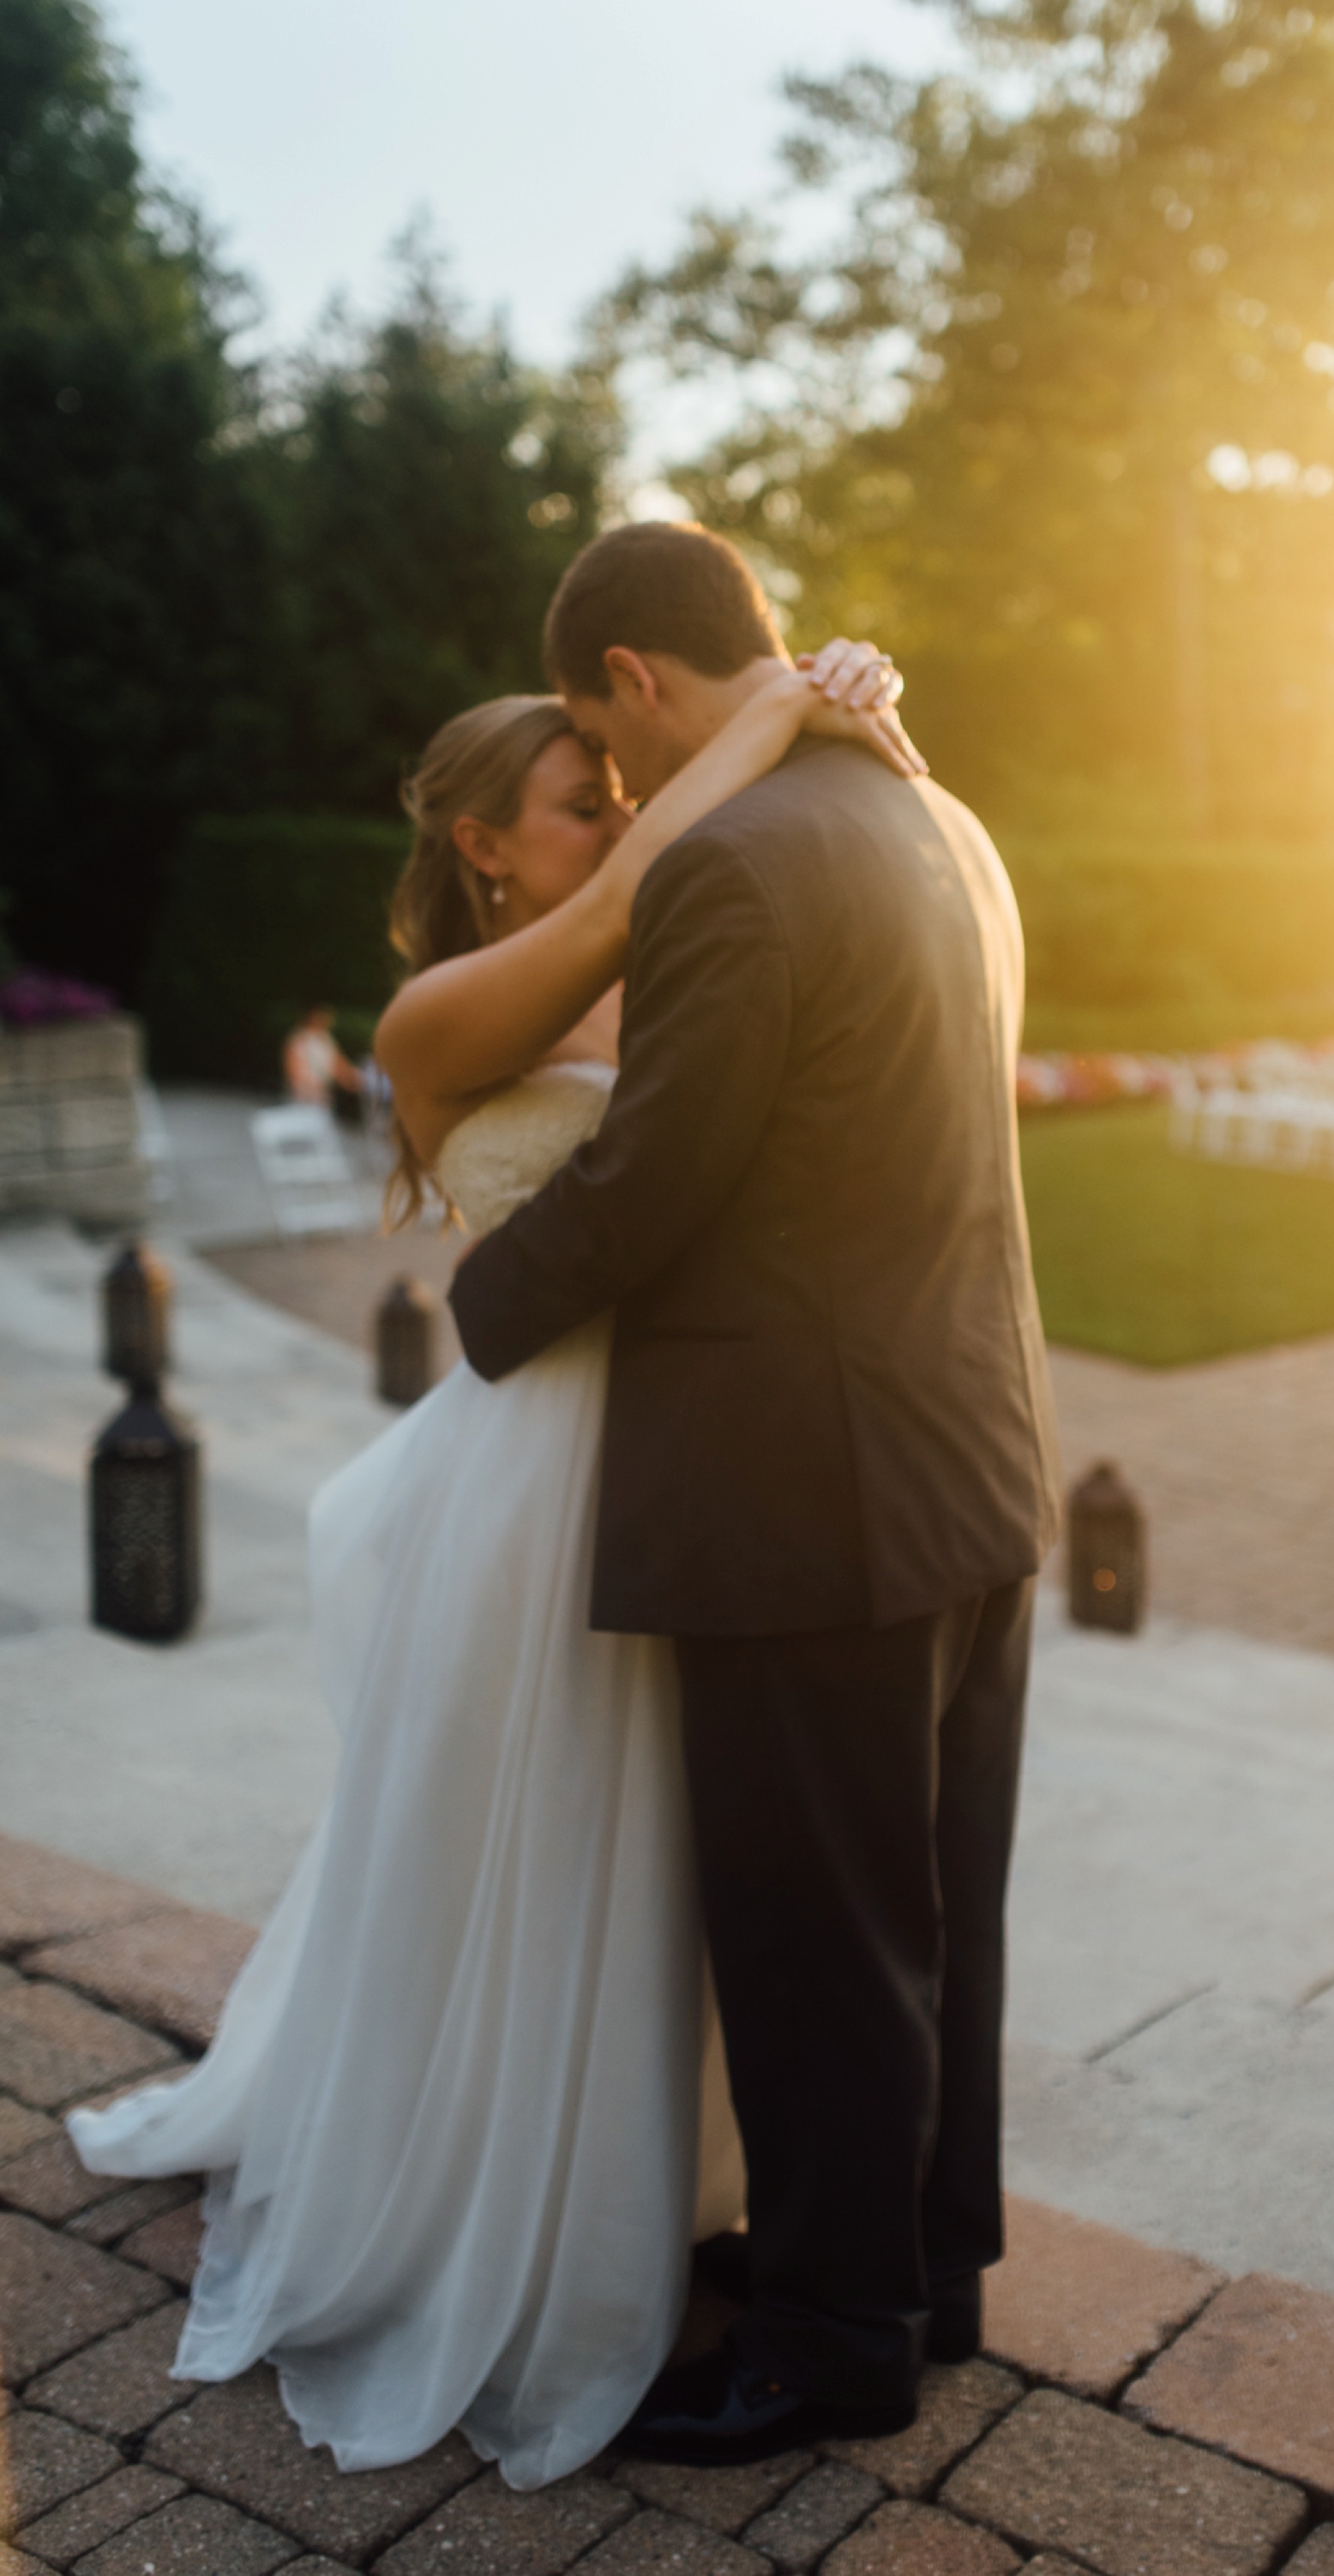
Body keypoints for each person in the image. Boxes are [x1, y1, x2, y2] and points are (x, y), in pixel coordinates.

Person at [68, 621, 923, 2489]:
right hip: (533, 1482)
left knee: (696, 1859)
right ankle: (490, 2187)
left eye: (625, 782)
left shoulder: (677, 946)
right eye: (582, 795)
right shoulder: (446, 1016)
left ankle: (672, 2177)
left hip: (706, 1463)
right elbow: (653, 887)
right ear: (482, 845)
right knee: (531, 1843)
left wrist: (855, 715)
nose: (622, 812)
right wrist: (769, 700)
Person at [450, 522, 1060, 2463]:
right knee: (935, 1909)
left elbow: (659, 1178)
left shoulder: (727, 863)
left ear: (630, 673)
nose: (615, 778)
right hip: (972, 1453)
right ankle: (919, 2268)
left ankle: (826, 2339)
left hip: (811, 1486)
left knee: (813, 1930)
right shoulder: (927, 817)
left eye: (592, 726)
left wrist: (484, 1297)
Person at [282, 1005, 362, 1111]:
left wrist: (353, 1079)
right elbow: (293, 1068)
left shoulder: (327, 1039)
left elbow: (338, 1064)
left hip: (323, 1092)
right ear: (313, 1016)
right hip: (303, 1093)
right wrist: (303, 1086)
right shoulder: (299, 1039)